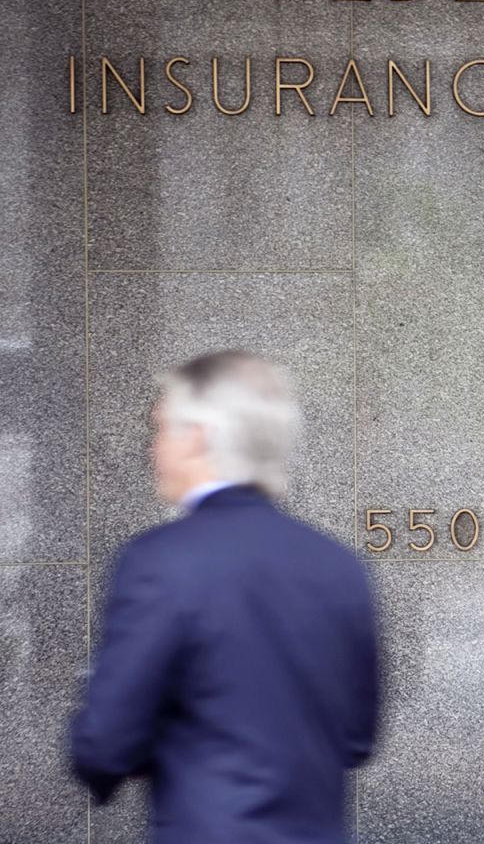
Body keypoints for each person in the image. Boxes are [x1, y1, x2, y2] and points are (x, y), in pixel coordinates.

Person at [70, 349, 379, 843]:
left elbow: (105, 743)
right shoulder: (340, 566)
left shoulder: (159, 561)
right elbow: (357, 739)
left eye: (162, 429)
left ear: (197, 437)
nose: (154, 449)